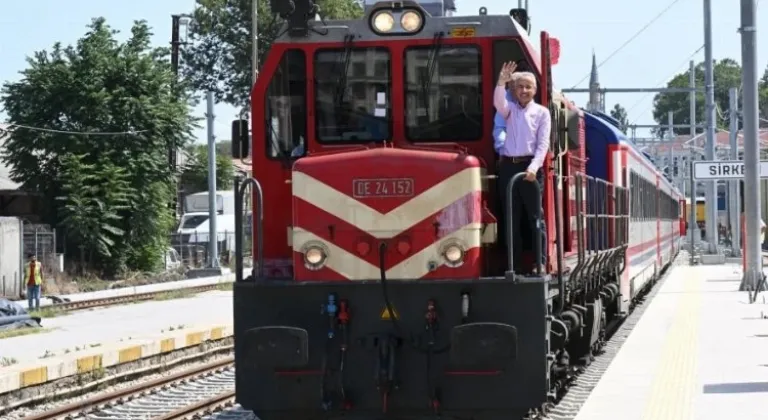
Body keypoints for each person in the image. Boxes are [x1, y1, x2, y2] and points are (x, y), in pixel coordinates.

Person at [493, 62, 551, 274]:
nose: (524, 91)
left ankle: (539, 262)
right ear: (514, 90)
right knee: (511, 217)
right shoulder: (510, 112)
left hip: (530, 168)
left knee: (536, 217)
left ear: (534, 90)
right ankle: (513, 264)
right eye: (520, 87)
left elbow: (543, 144)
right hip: (509, 166)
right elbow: (499, 102)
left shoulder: (542, 113)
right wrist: (501, 81)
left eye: (528, 87)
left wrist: (534, 168)